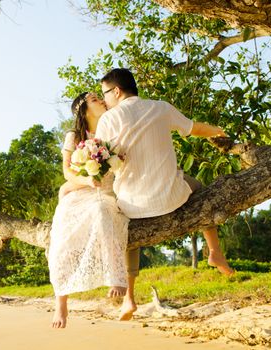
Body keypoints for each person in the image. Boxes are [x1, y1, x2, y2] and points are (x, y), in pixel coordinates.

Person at [95, 68, 234, 321]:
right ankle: (214, 251)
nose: (104, 100)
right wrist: (219, 131)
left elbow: (100, 162)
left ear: (116, 91)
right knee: (202, 189)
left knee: (127, 232)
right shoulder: (161, 107)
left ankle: (129, 298)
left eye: (104, 94)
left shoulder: (108, 119)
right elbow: (195, 129)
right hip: (171, 195)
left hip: (131, 203)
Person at [48, 92, 130, 329]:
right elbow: (67, 172)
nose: (102, 100)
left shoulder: (112, 130)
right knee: (62, 237)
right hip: (80, 188)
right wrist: (86, 181)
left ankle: (116, 277)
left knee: (101, 212)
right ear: (82, 109)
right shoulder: (74, 136)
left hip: (105, 191)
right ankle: (61, 301)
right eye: (95, 99)